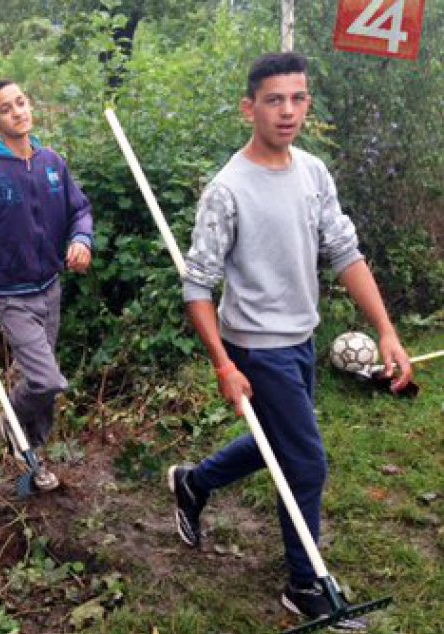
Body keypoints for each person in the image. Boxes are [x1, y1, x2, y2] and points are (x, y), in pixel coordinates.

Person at [169, 52, 413, 626]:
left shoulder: (313, 173)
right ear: (248, 107)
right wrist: (224, 363)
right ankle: (304, 585)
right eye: (274, 100)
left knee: (278, 443)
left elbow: (346, 254)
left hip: (301, 338)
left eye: (297, 98)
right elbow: (197, 287)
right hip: (256, 346)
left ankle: (193, 482)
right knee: (306, 463)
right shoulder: (227, 189)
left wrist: (386, 329)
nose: (287, 111)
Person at [0, 80, 93, 492]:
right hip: (10, 296)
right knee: (47, 380)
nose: (17, 112)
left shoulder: (52, 162)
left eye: (21, 103)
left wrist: (81, 239)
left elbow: (80, 210)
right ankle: (9, 419)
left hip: (50, 288)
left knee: (43, 384)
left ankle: (33, 454)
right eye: (5, 108)